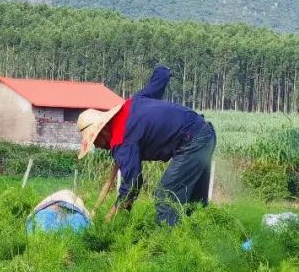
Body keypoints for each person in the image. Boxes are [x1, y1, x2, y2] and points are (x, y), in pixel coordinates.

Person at [77, 65, 216, 225]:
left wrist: (114, 213)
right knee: (194, 203)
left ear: (102, 131)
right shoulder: (131, 104)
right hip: (205, 132)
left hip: (193, 142)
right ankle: (202, 239)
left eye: (95, 141)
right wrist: (163, 71)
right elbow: (156, 86)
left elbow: (134, 181)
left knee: (166, 196)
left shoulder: (121, 140)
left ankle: (166, 245)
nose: (98, 147)